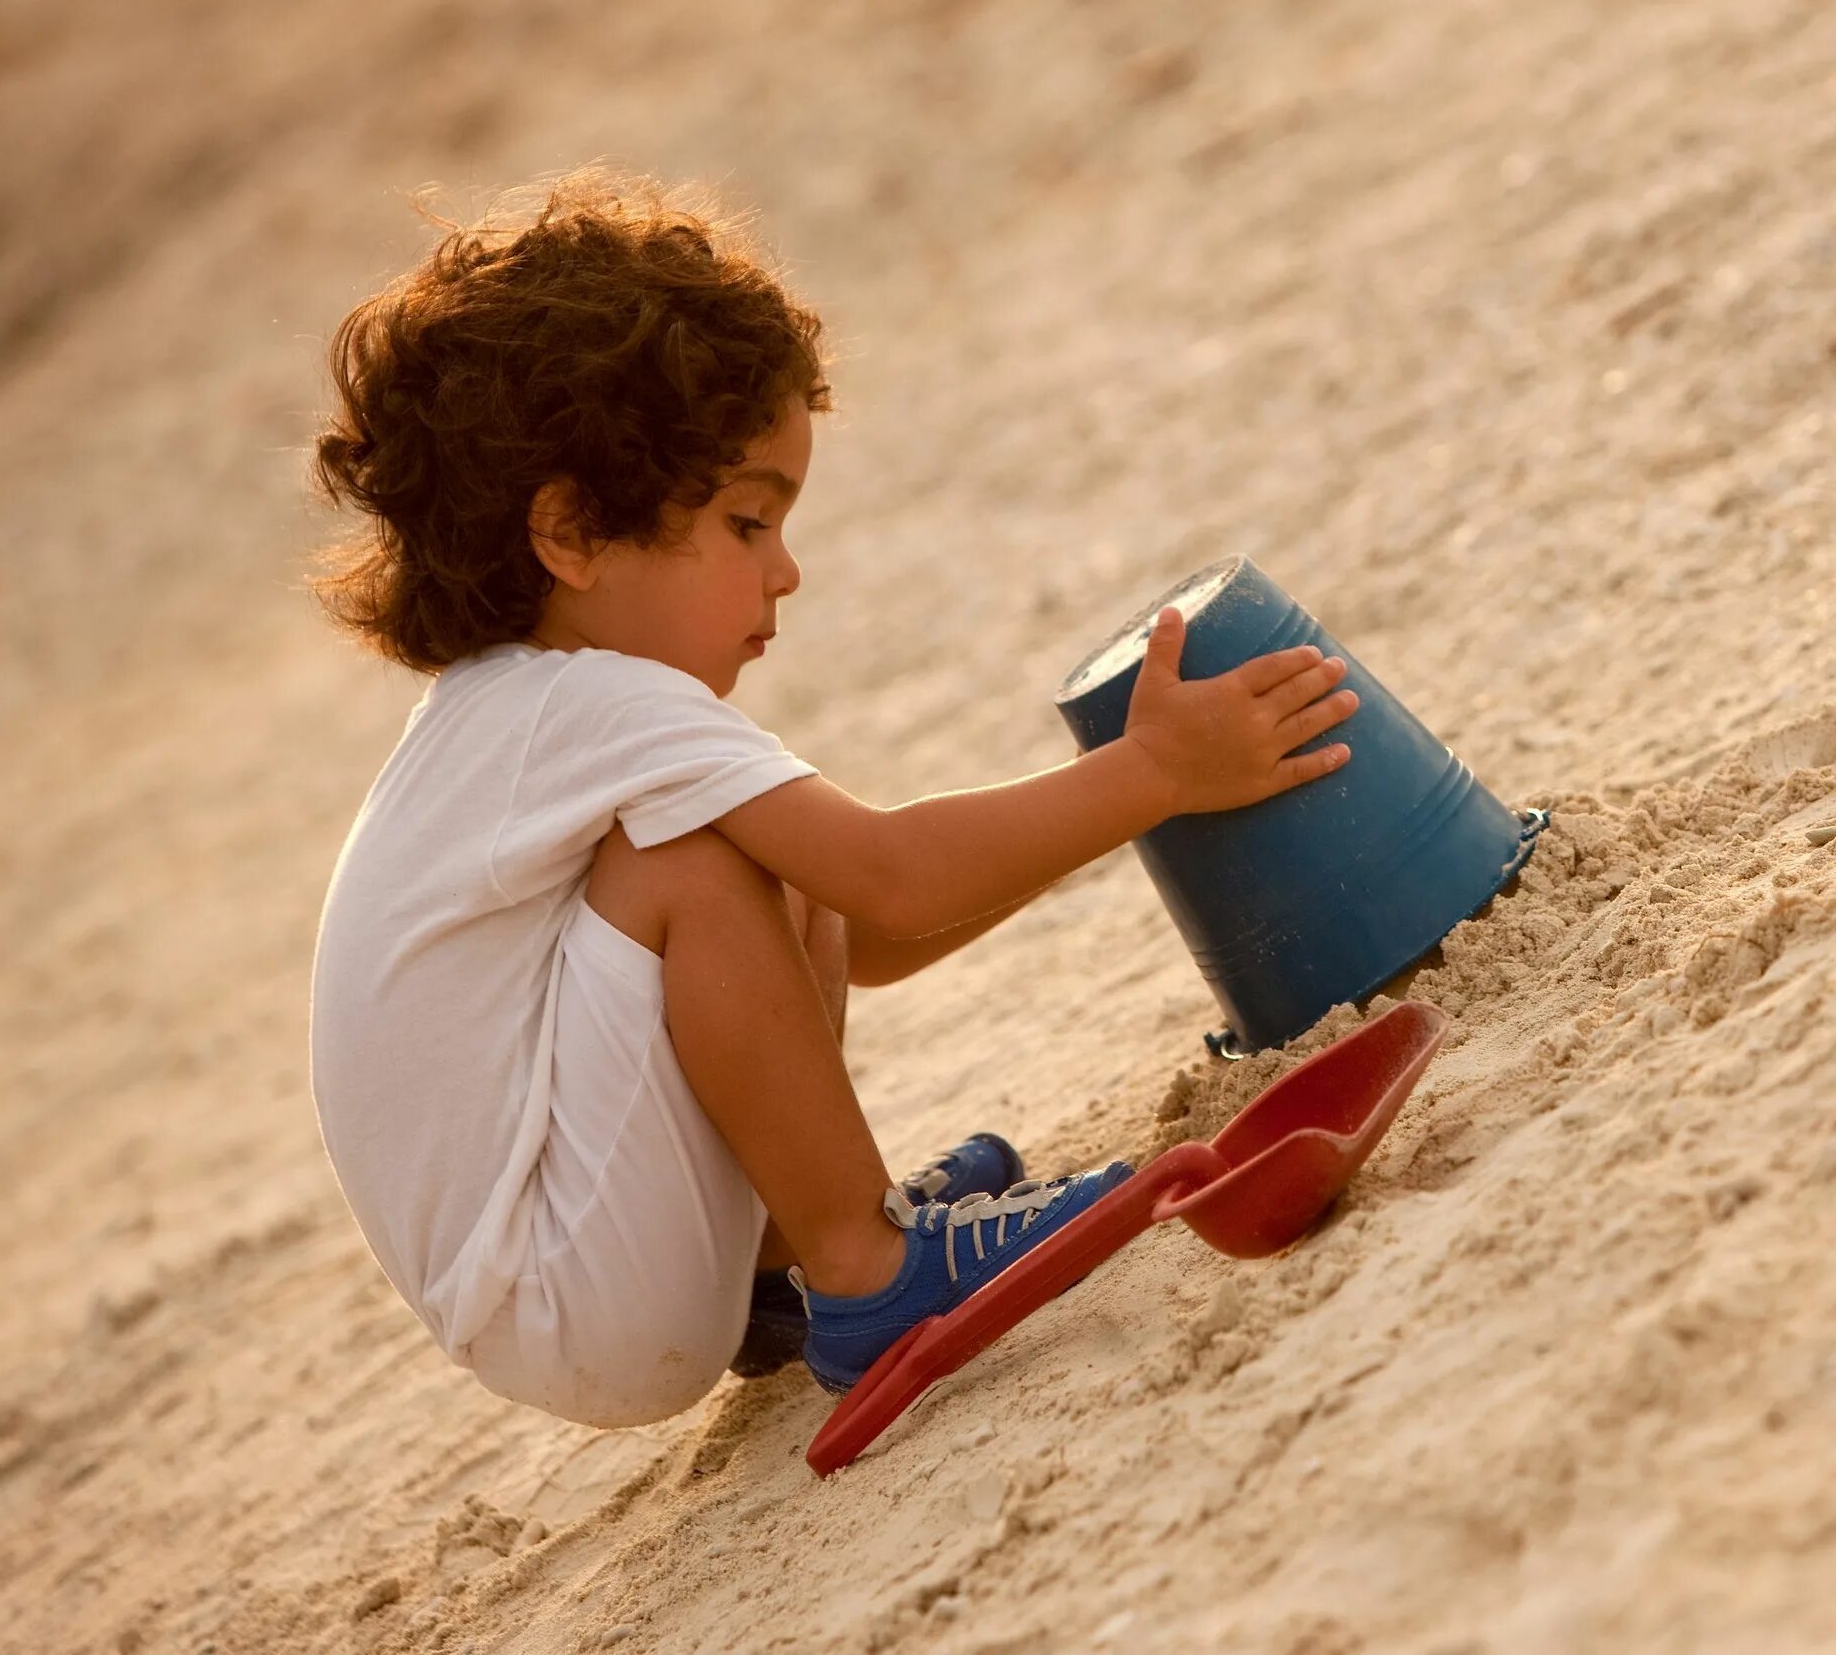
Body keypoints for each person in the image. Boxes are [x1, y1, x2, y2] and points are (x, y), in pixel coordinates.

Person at [305, 171, 1356, 1427]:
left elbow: (862, 931)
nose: (786, 569)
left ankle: (787, 1267)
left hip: (568, 1287)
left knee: (755, 840)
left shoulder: (526, 720)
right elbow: (894, 876)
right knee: (695, 856)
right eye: (749, 520)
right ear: (572, 532)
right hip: (569, 1284)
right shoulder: (587, 711)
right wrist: (1152, 772)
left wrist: (1122, 803)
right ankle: (865, 1266)